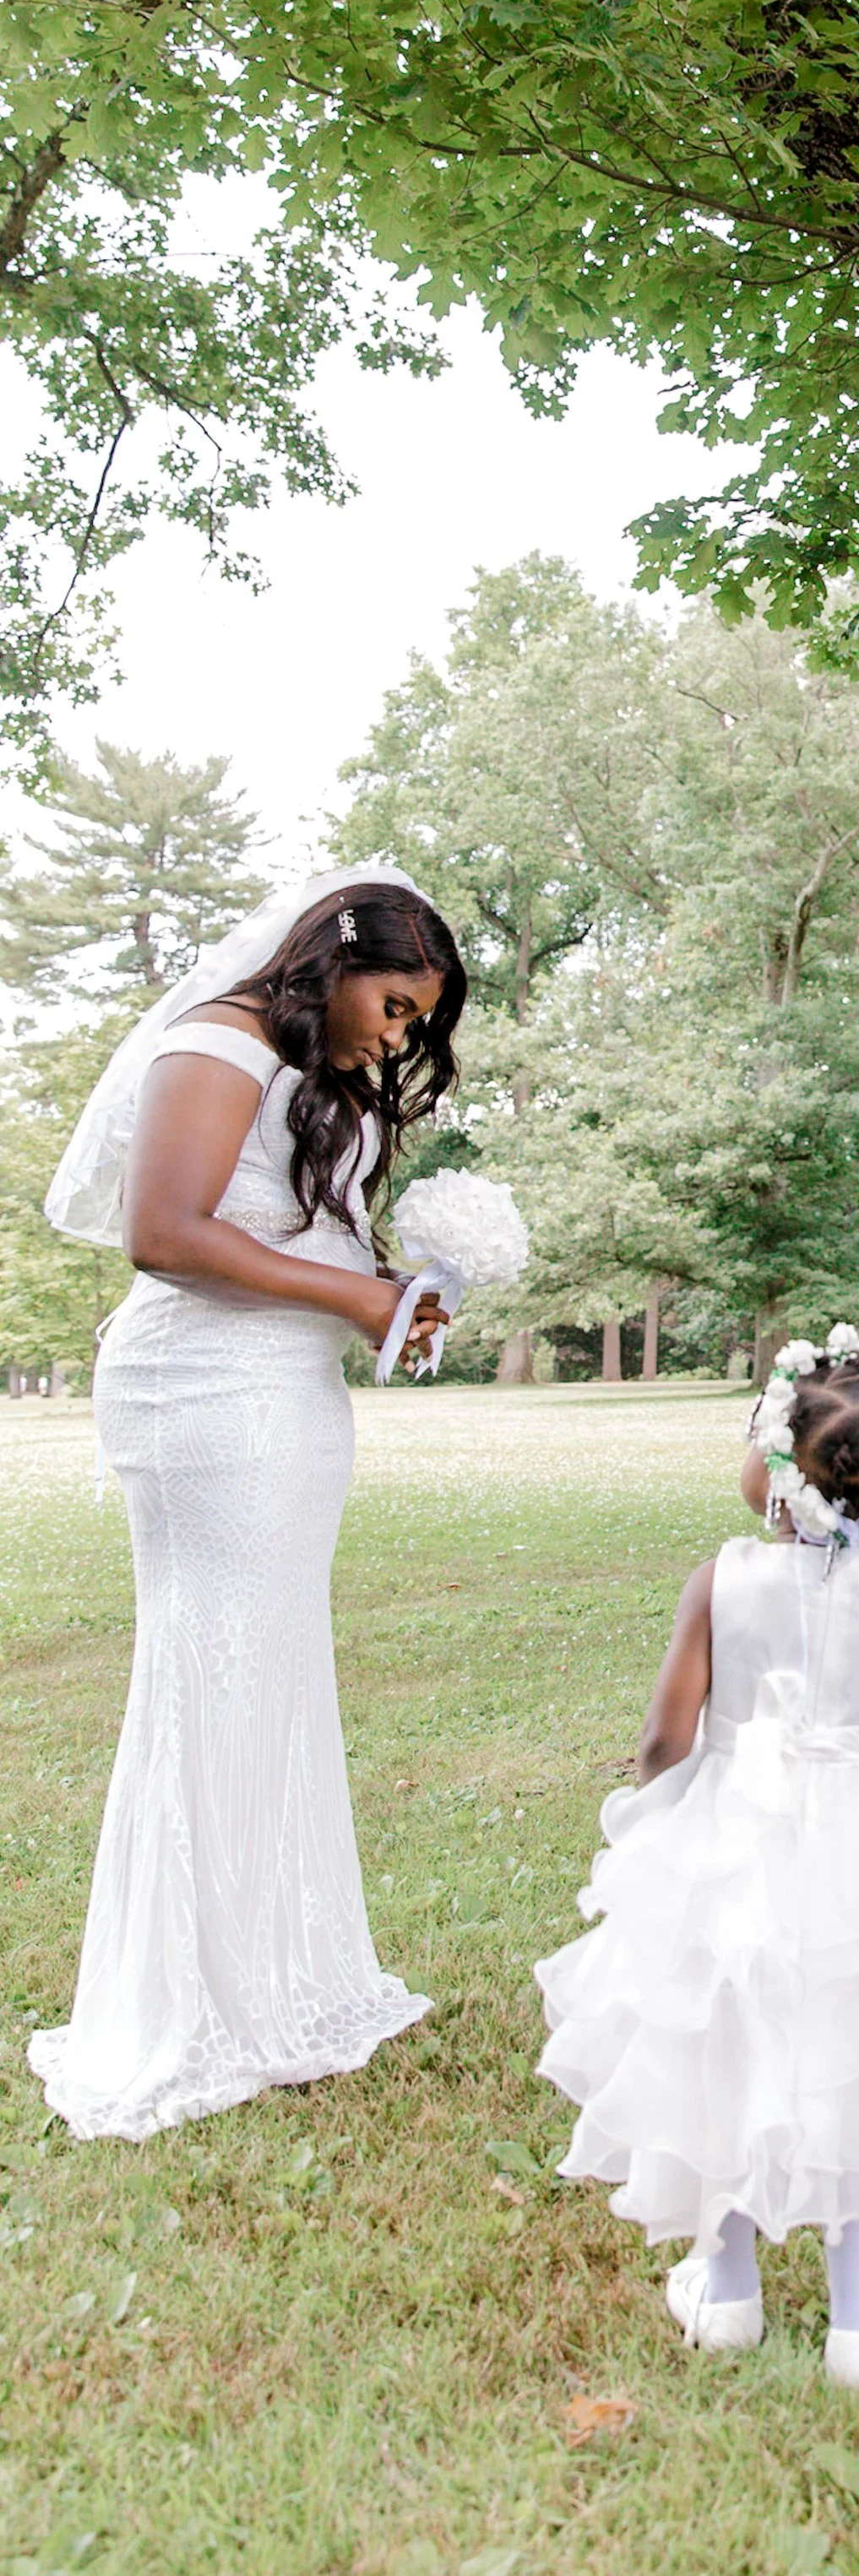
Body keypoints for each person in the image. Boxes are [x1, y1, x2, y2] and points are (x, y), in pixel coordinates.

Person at [30, 870, 468, 2142]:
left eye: (414, 1025)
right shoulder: (213, 1039)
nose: (395, 1039)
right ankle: (188, 1997)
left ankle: (278, 1970)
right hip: (204, 1391)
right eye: (392, 1006)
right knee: (211, 1668)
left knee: (269, 1670)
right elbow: (163, 1231)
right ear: (332, 960)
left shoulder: (313, 1075)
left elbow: (285, 1225)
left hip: (285, 1389)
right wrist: (353, 1300)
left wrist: (389, 1287)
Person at [536, 1330, 859, 2390]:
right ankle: (858, 2324)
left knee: (720, 2039)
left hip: (726, 1837)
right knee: (850, 2049)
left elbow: (667, 1734)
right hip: (856, 1858)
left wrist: (657, 1799)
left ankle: (727, 2294)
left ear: (780, 1469)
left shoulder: (724, 1578)